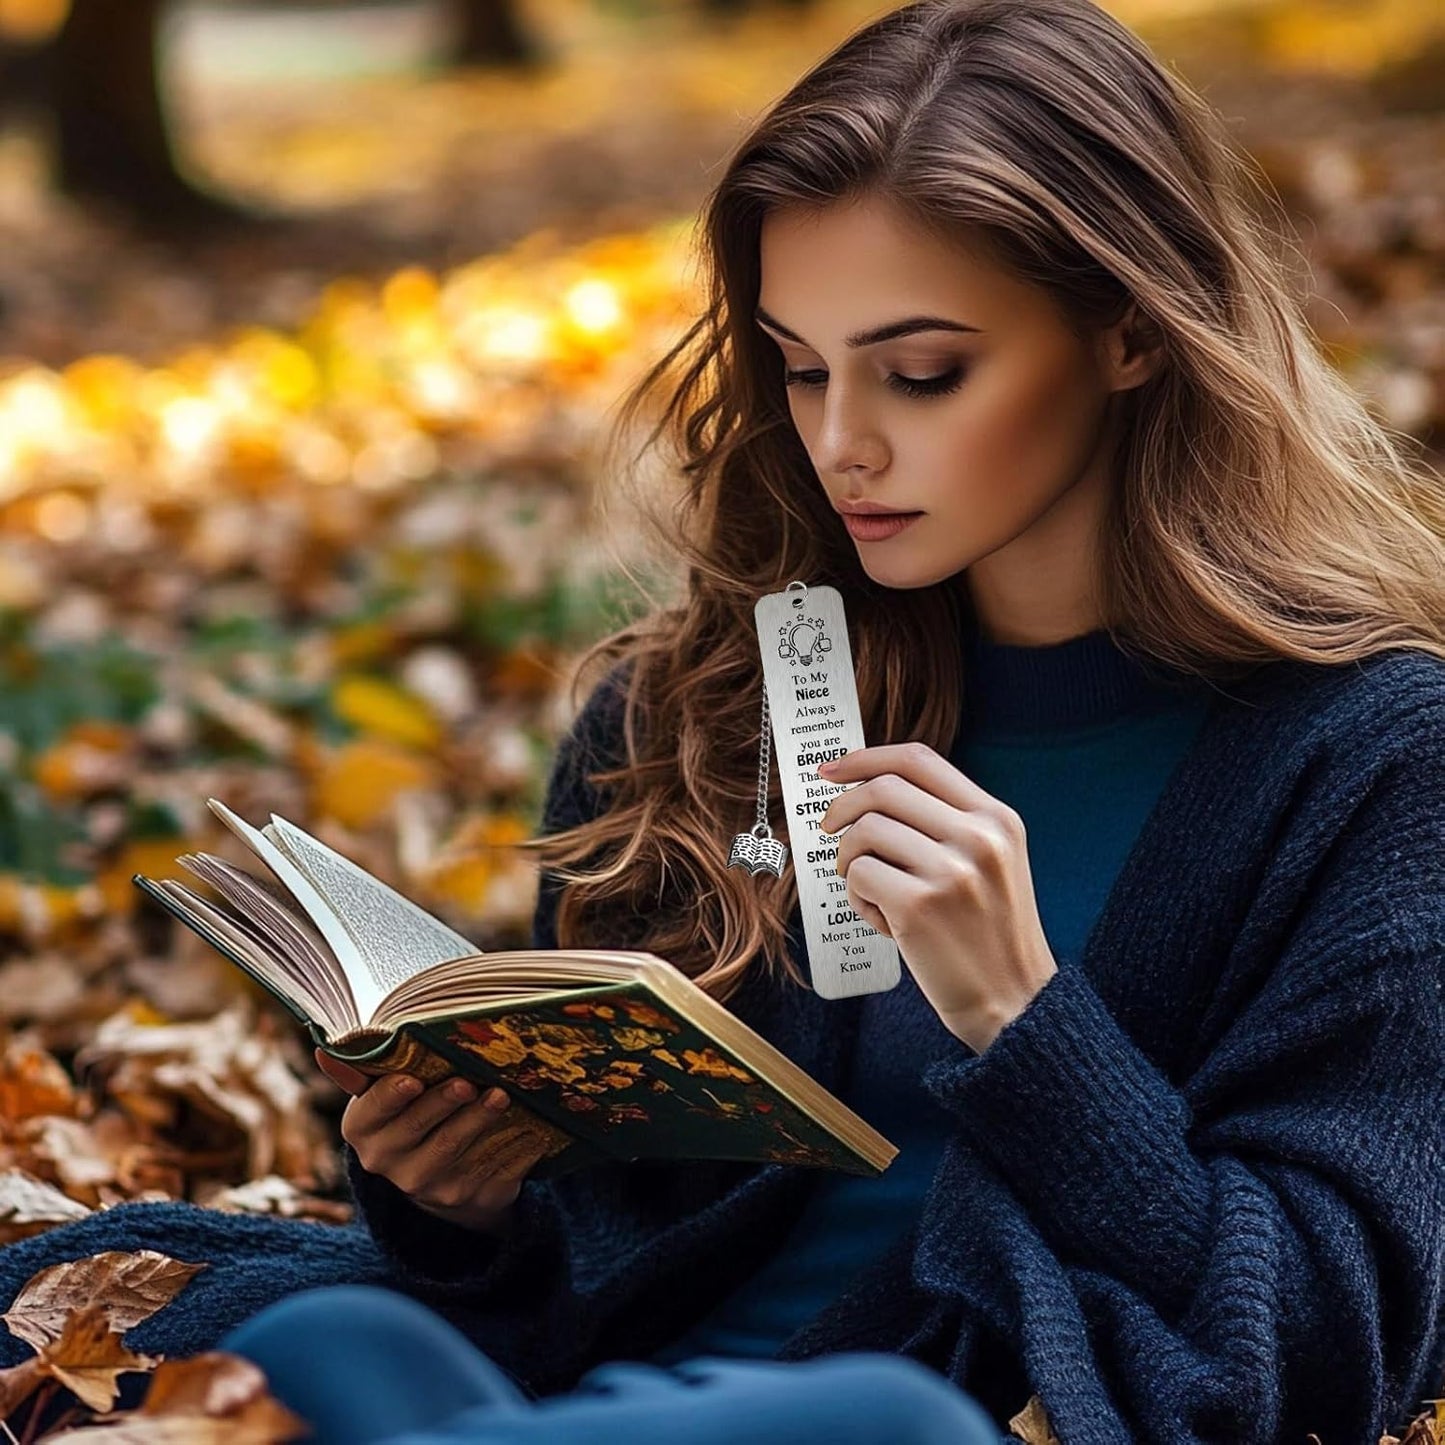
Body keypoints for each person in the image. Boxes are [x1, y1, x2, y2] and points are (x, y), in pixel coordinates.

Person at [2, 0, 1443, 1442]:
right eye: (800, 366)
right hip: (589, 1401)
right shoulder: (694, 705)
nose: (840, 443)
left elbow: (1331, 1338)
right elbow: (587, 1266)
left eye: (923, 371)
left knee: (886, 1420)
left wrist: (1023, 1014)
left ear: (1129, 334)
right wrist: (459, 1202)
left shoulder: (1370, 757)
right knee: (331, 1327)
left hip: (937, 1422)